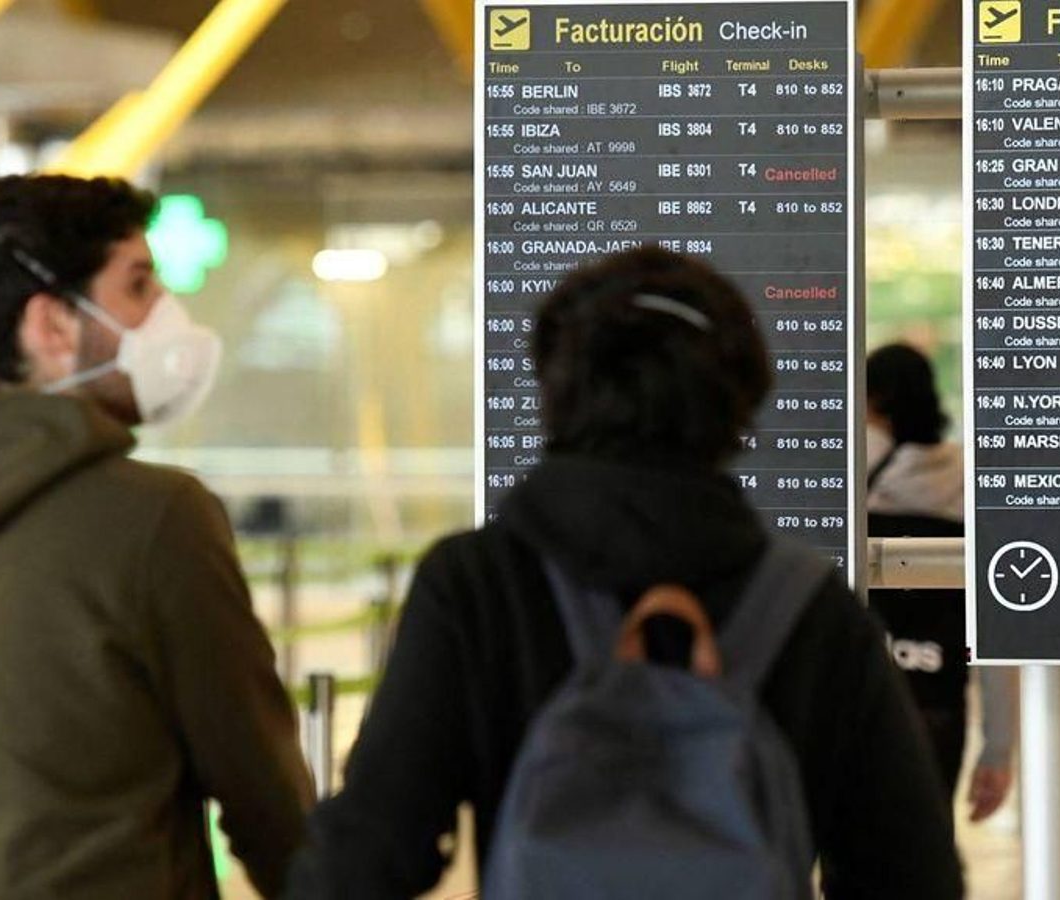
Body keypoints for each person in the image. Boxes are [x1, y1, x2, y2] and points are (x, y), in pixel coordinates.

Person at [285, 247, 963, 897]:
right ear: (739, 408)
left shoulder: (477, 585)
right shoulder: (815, 611)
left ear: (554, 394)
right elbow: (912, 874)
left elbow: (369, 853)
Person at [0, 174, 312, 899]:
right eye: (138, 287)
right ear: (52, 325)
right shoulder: (157, 519)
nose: (167, 316)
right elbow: (261, 790)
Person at [865, 342, 1016, 825]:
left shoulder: (853, 474)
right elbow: (994, 632)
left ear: (876, 399)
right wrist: (997, 748)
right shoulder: (971, 482)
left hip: (863, 699)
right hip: (939, 703)